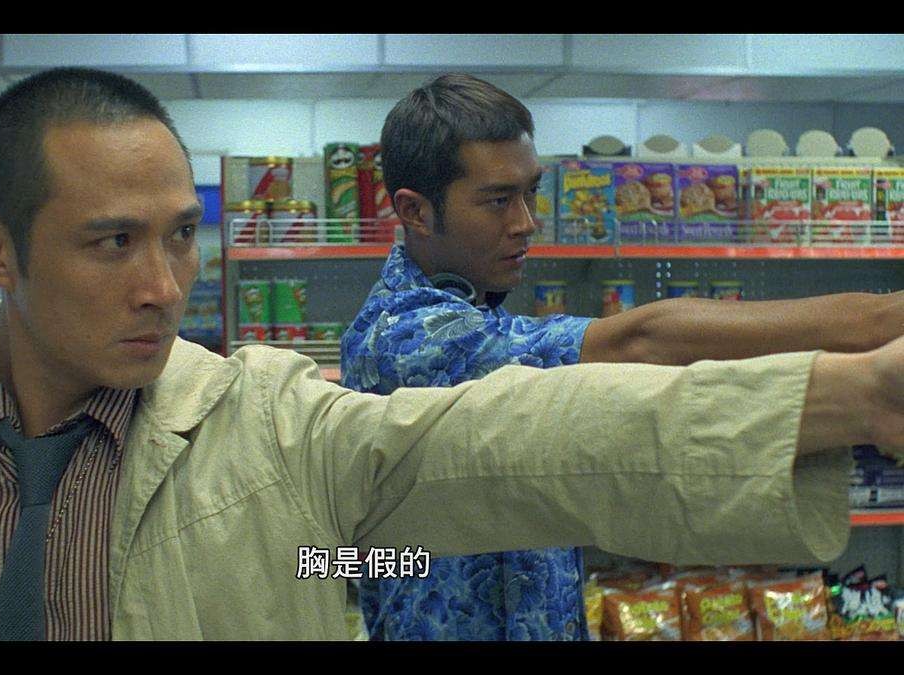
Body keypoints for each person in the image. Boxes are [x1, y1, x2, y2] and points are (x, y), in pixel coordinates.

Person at [0, 68, 903, 642]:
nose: (164, 285)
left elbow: (540, 445)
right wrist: (368, 565)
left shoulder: (260, 422)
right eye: (113, 243)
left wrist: (850, 396)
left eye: (183, 235)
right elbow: (616, 358)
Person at [340, 73, 904, 641]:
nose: (526, 222)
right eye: (497, 201)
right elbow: (642, 342)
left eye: (530, 193)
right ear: (415, 212)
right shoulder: (405, 338)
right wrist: (879, 323)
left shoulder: (473, 310)